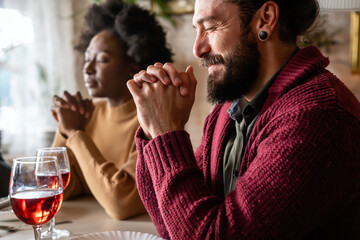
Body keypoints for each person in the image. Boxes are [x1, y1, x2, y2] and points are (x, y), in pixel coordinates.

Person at [127, 0, 360, 238]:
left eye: (210, 27)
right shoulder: (227, 110)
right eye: (196, 30)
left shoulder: (320, 115)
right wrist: (152, 129)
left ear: (266, 19)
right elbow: (173, 225)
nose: (198, 49)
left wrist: (167, 131)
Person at [50, 0, 173, 220]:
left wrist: (76, 134)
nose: (87, 69)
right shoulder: (88, 114)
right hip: (89, 228)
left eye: (102, 60)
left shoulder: (152, 121)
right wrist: (64, 130)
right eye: (87, 59)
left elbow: (121, 203)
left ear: (132, 66)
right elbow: (60, 189)